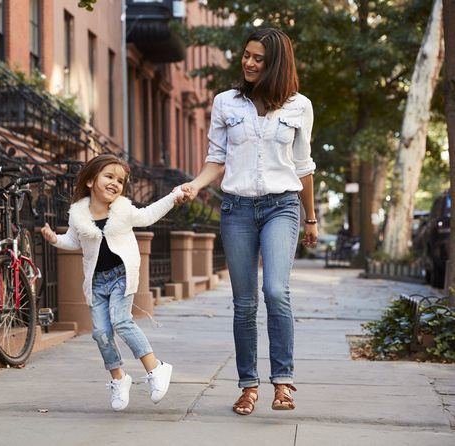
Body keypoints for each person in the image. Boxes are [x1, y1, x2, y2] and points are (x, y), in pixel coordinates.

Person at [179, 28, 318, 415]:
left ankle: (283, 382)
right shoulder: (226, 103)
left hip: (282, 207)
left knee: (275, 291)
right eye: (247, 56)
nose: (250, 63)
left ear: (276, 63)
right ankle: (248, 386)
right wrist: (195, 185)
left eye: (259, 58)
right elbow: (216, 157)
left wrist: (311, 218)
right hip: (237, 209)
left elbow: (303, 167)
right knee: (244, 304)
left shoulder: (299, 107)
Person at [41, 154, 184, 411]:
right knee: (100, 333)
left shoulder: (123, 209)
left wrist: (173, 196)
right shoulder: (78, 214)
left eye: (120, 180)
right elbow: (74, 241)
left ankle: (156, 367)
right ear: (90, 181)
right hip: (96, 281)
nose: (115, 183)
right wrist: (54, 239)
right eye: (109, 176)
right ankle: (119, 379)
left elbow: (148, 215)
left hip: (122, 275)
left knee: (122, 321)